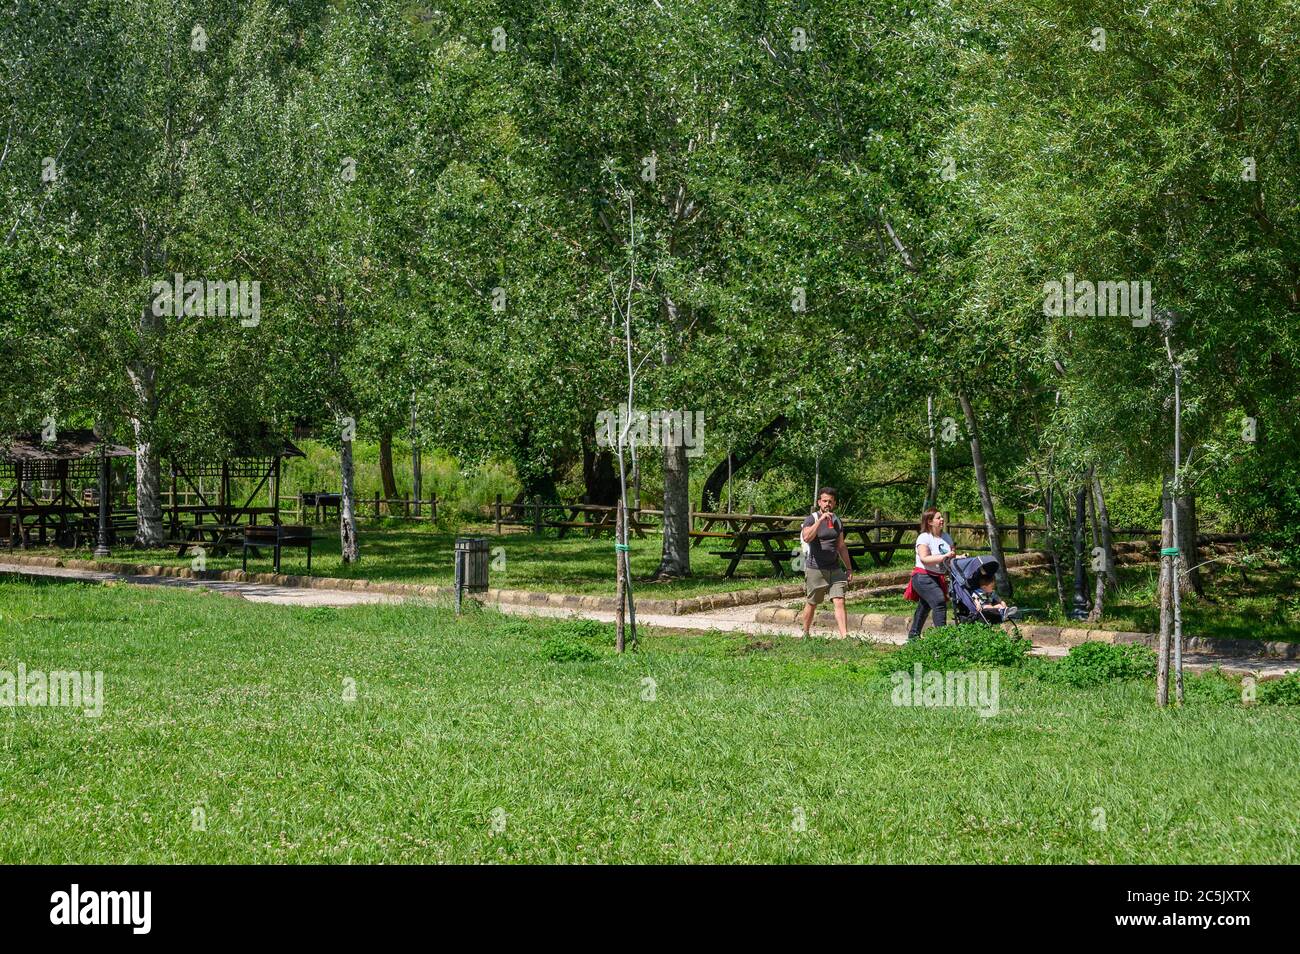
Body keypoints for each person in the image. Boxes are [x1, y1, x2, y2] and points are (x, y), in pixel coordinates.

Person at [799, 487, 853, 639]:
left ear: (834, 503)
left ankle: (845, 636)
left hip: (834, 568)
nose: (827, 504)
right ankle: (805, 632)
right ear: (819, 502)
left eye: (830, 501)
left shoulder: (837, 520)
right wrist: (821, 520)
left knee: (839, 600)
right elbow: (807, 537)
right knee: (812, 602)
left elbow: (841, 546)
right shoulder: (812, 519)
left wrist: (848, 568)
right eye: (824, 501)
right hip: (816, 568)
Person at [905, 507, 958, 639]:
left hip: (937, 577)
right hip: (923, 577)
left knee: (925, 605)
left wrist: (959, 557)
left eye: (941, 517)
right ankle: (942, 638)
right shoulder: (924, 538)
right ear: (929, 521)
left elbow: (950, 557)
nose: (942, 520)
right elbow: (925, 559)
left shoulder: (946, 537)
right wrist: (945, 556)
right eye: (938, 518)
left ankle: (913, 636)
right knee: (939, 601)